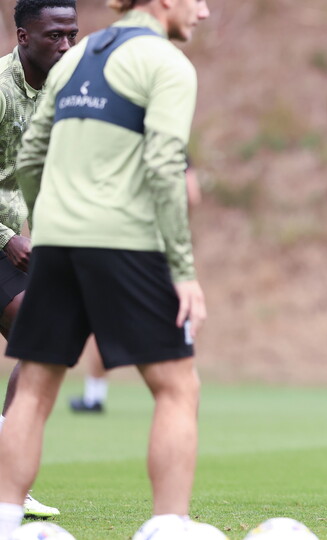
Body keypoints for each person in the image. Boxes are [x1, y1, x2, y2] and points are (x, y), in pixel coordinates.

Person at [0, 0, 210, 537]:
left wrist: (50, 224)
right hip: (124, 243)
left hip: (57, 243)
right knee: (177, 387)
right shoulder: (166, 63)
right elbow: (165, 166)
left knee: (34, 391)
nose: (204, 11)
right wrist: (183, 270)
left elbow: (30, 158)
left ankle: (4, 519)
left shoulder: (74, 58)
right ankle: (167, 526)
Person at [0, 0, 78, 519]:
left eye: (72, 33)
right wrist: (8, 237)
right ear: (23, 37)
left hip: (11, 237)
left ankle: (8, 474)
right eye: (54, 35)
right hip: (1, 237)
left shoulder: (61, 89)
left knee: (43, 338)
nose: (66, 45)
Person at [69, 165, 201, 414]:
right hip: (156, 248)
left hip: (118, 245)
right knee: (173, 317)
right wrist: (176, 227)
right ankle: (182, 383)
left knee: (102, 320)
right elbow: (191, 193)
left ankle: (94, 396)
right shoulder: (167, 149)